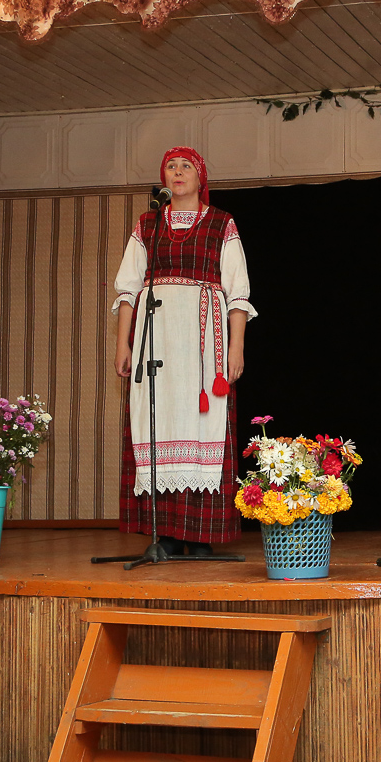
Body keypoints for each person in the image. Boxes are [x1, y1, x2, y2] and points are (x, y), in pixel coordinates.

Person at [112, 147, 254, 554]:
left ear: (200, 176)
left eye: (185, 166)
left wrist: (237, 347)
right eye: (170, 167)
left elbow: (238, 293)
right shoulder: (149, 224)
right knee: (158, 422)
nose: (177, 172)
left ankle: (202, 535)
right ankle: (168, 535)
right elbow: (128, 288)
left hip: (203, 345)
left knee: (200, 423)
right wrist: (123, 343)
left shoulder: (222, 223)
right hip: (155, 340)